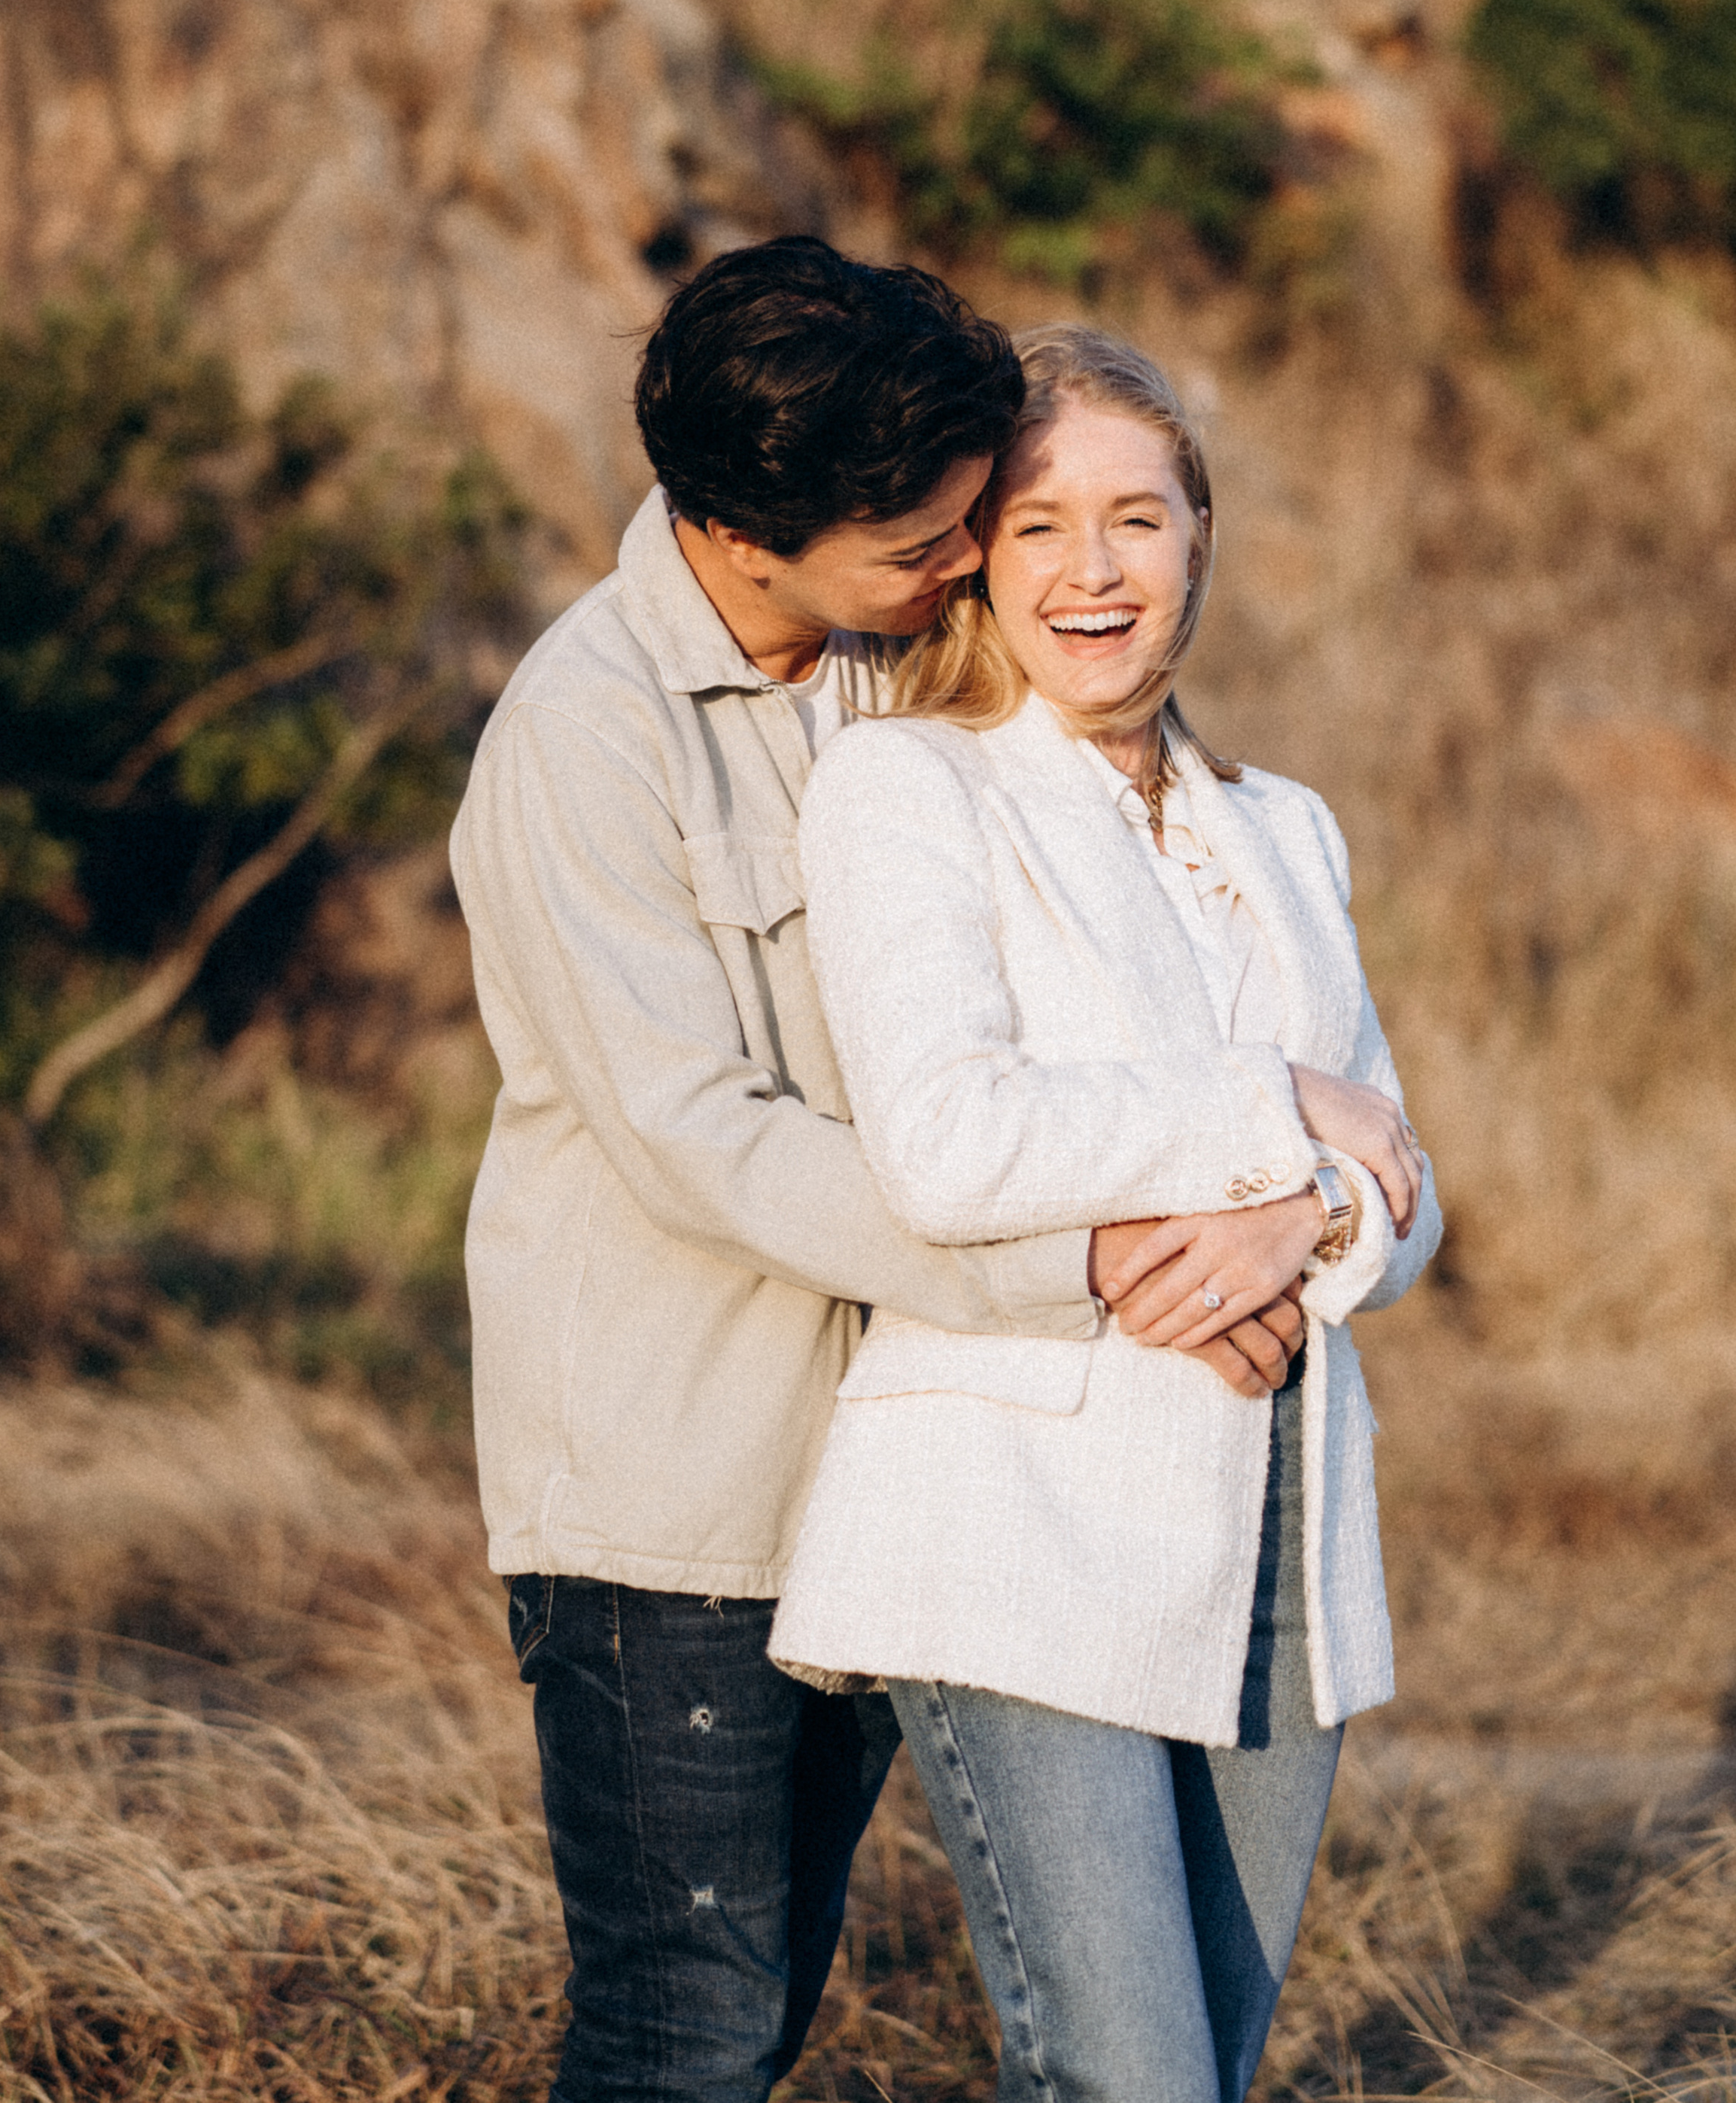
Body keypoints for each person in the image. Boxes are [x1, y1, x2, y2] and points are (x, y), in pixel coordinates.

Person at [449, 245, 1318, 2103]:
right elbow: (708, 1143)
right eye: (922, 541)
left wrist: (1286, 1203)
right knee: (685, 2022)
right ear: (753, 533)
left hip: (888, 1463)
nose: (962, 569)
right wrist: (1103, 1265)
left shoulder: (881, 681)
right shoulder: (582, 738)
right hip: (671, 1491)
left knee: (761, 2013)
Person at [770, 324, 1442, 2103]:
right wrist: (1272, 1121)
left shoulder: (1282, 828)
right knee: (1126, 2076)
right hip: (1016, 1526)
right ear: (975, 558)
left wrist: (1303, 1225)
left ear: (1199, 540)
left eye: (1136, 519)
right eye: (1040, 522)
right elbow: (945, 1138)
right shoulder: (907, 789)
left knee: (1200, 2074)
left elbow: (1402, 1183)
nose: (1092, 570)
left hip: (1280, 1518)